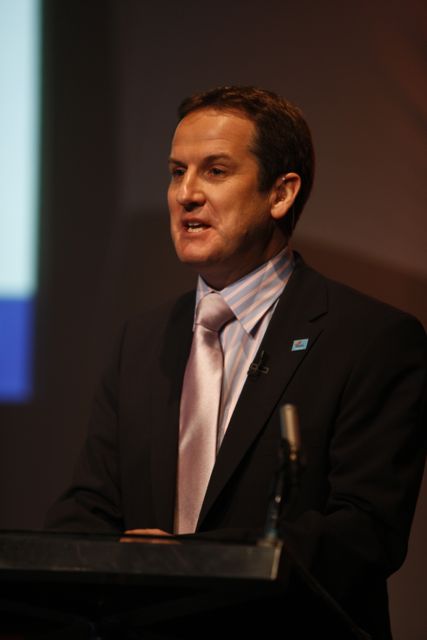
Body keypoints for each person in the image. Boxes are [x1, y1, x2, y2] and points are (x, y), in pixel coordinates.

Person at [46, 86, 426, 639]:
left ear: (281, 194)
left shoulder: (372, 338)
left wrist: (192, 563)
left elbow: (364, 534)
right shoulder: (142, 340)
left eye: (216, 171)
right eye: (177, 172)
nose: (186, 194)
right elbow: (89, 509)